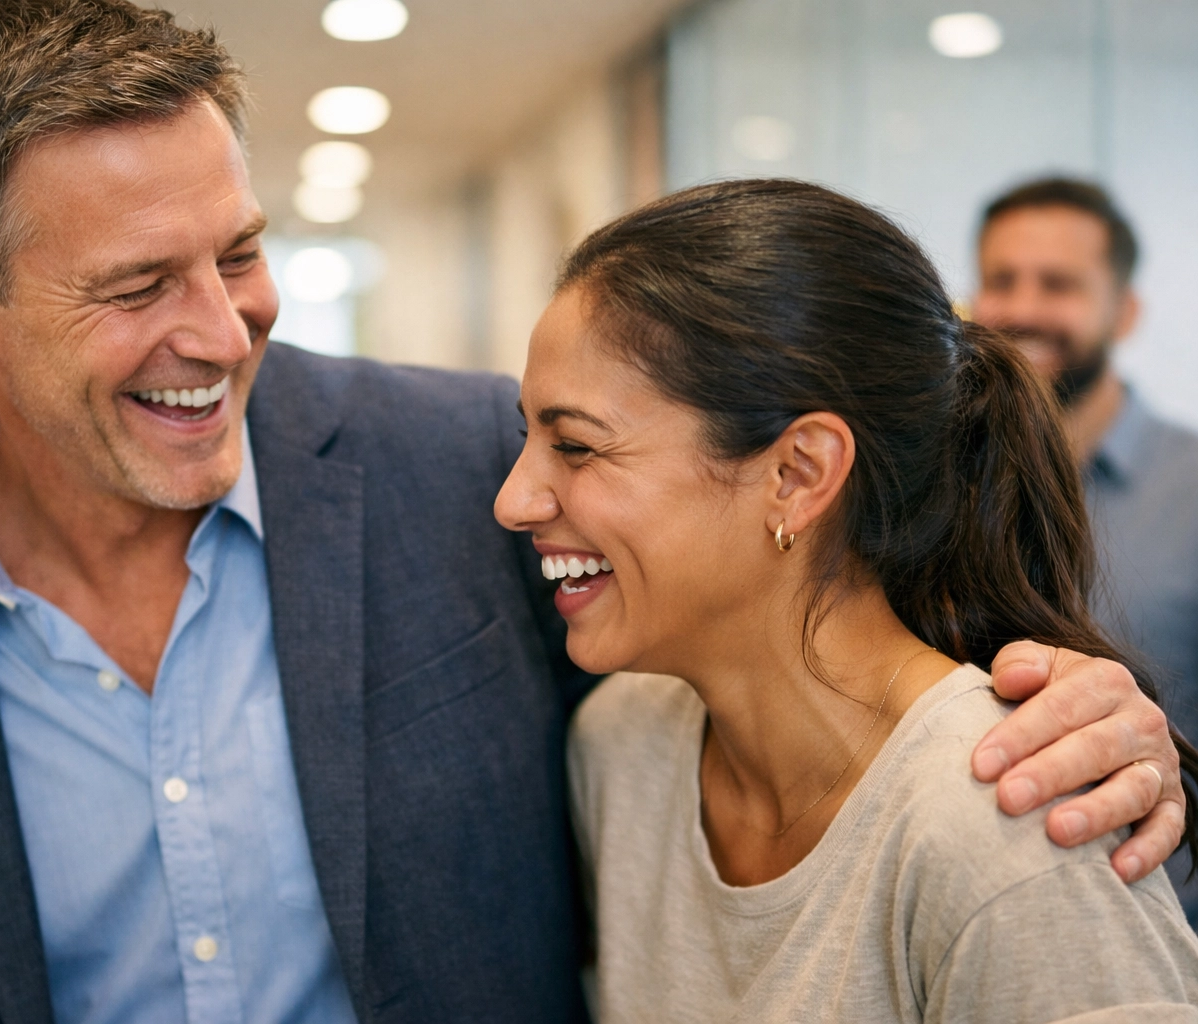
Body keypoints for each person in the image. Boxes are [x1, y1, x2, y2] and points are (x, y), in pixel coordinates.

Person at [0, 3, 1186, 1021]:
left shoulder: (462, 470)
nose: (222, 331)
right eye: (138, 286)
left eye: (239, 252)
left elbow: (804, 636)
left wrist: (1094, 725)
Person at [495, 179, 1198, 1022]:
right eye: (528, 436)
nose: (514, 499)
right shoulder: (621, 748)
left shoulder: (1004, 820)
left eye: (575, 445)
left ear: (797, 475)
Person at [973, 176, 1198, 922]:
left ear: (1125, 311)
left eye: (1059, 284)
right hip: (971, 917)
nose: (1025, 308)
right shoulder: (933, 495)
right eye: (1002, 280)